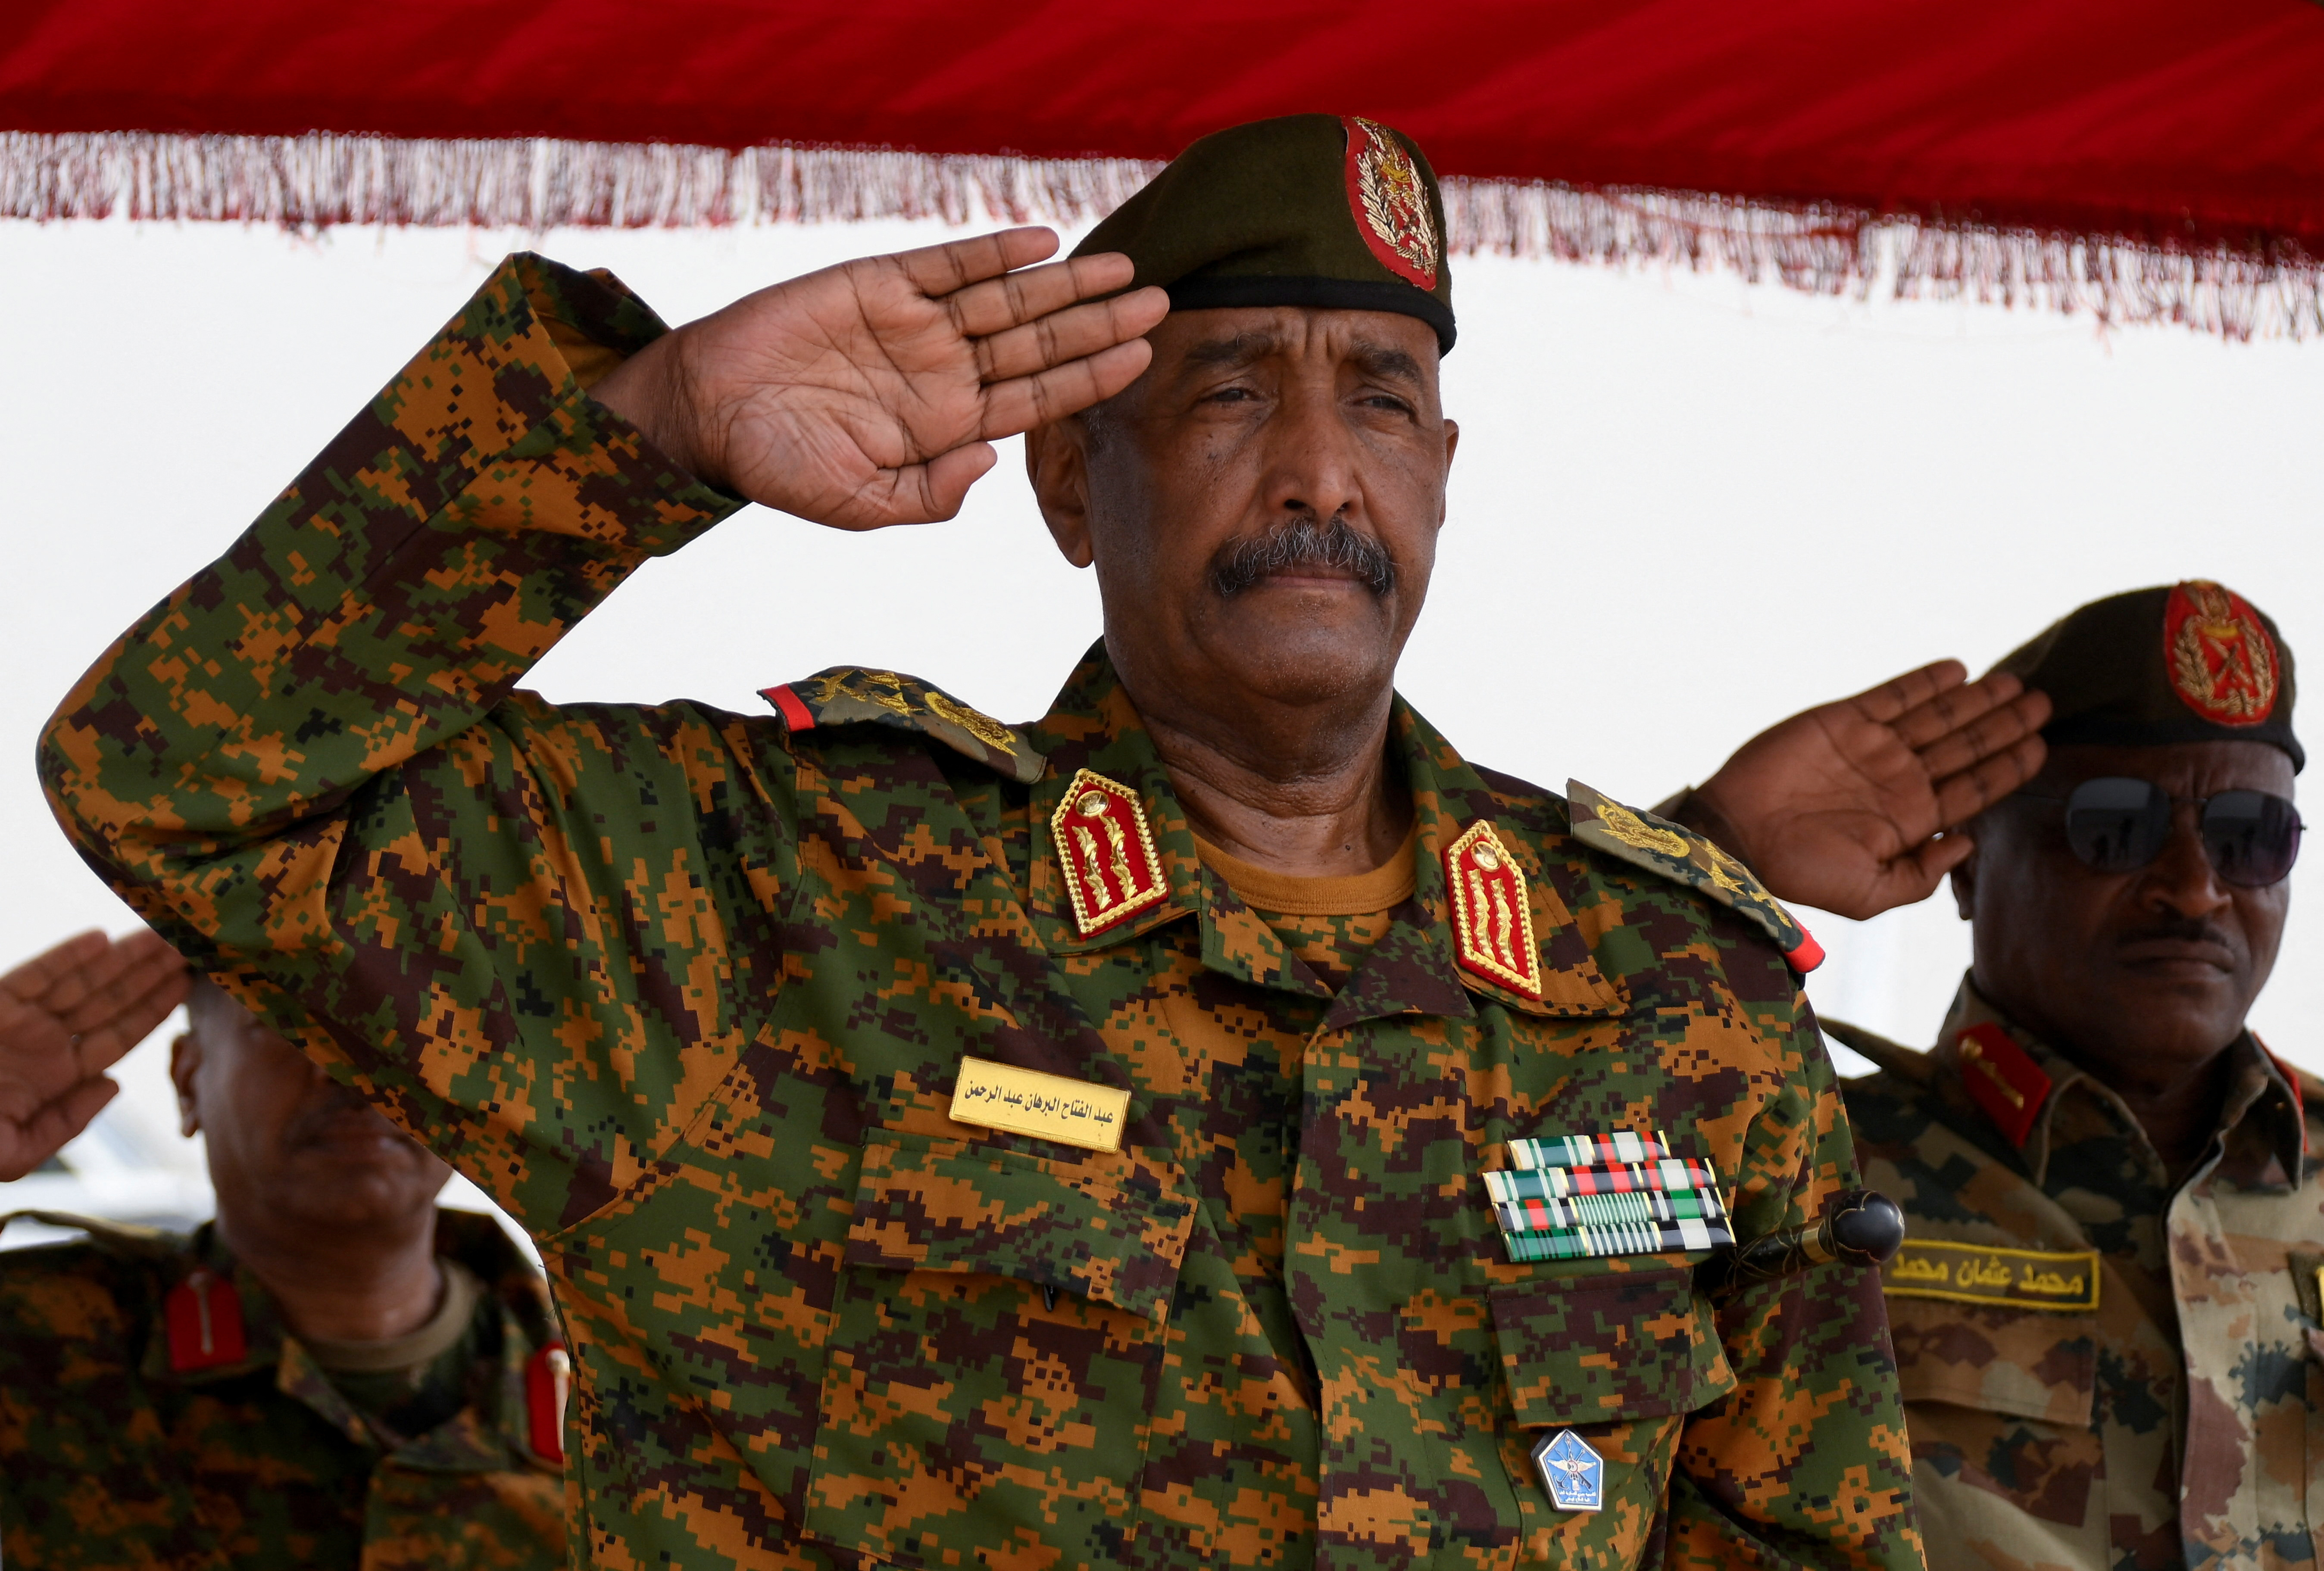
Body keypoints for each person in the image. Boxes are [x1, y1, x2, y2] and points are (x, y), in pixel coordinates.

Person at [34, 112, 2048, 1569]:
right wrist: (637, 426)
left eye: (1383, 397)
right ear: (1073, 489)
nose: (1319, 468)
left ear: (1446, 472)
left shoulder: (1668, 998)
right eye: (1228, 392)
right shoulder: (762, 896)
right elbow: (188, 778)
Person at [1817, 581, 2314, 1569]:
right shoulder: (1799, 1163)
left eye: (2248, 833)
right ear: (1964, 863)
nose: (2193, 886)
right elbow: (1477, 1090)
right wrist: (1712, 840)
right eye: (2113, 826)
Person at [0, 935, 571, 1570]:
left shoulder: (626, 1393)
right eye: (293, 1020)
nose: (354, 1068)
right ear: (190, 1080)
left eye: (401, 1025)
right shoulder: (37, 1341)